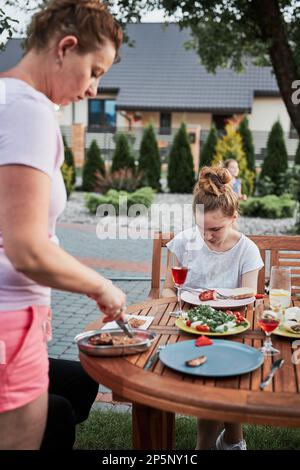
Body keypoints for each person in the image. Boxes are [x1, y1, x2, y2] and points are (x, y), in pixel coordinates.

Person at [0, 0, 126, 450]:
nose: (94, 89)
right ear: (66, 47)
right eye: (95, 71)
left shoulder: (4, 97)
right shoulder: (28, 111)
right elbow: (28, 249)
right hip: (10, 321)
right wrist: (101, 286)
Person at [162, 166, 263, 450]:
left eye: (215, 229)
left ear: (234, 217)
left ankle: (210, 444)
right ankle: (232, 440)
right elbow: (170, 287)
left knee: (219, 369)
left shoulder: (246, 250)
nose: (207, 237)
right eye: (201, 229)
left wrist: (212, 295)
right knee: (217, 369)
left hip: (233, 328)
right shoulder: (185, 242)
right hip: (189, 327)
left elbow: (249, 292)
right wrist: (177, 304)